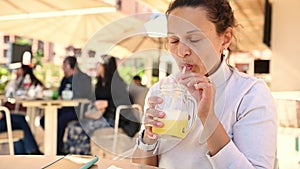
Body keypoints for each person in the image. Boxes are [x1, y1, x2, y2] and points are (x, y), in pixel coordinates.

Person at [132, 0, 277, 168]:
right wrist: (148, 138)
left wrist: (209, 120)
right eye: (173, 41)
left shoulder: (249, 94)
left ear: (225, 39)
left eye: (194, 39)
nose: (182, 52)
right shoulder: (161, 90)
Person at [64, 54, 140, 155]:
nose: (96, 66)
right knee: (72, 126)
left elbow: (124, 102)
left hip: (114, 119)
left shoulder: (117, 83)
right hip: (101, 116)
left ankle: (84, 158)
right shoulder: (100, 83)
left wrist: (107, 103)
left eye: (98, 64)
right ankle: (71, 157)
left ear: (106, 66)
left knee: (80, 128)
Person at [40, 56, 93, 155]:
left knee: (61, 120)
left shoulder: (84, 78)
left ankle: (57, 150)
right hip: (64, 108)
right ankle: (56, 145)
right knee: (44, 120)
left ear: (72, 67)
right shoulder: (65, 79)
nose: (63, 69)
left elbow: (84, 96)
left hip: (79, 110)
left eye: (65, 66)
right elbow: (60, 94)